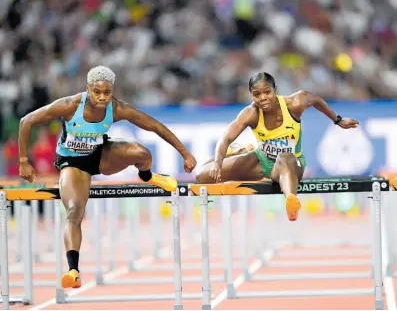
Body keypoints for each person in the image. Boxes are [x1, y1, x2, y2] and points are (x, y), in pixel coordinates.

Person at [18, 66, 197, 289]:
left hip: (100, 156)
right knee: (74, 211)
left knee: (142, 154)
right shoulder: (70, 106)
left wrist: (185, 153)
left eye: (107, 92)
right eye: (97, 92)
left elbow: (154, 126)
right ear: (87, 90)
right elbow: (26, 121)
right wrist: (24, 161)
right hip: (73, 164)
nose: (102, 97)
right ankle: (73, 270)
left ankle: (147, 176)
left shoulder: (117, 108)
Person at [196, 72, 359, 221]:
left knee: (284, 157)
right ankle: (239, 152)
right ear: (252, 96)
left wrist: (338, 120)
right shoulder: (250, 113)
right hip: (261, 161)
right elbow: (225, 139)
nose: (263, 98)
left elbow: (316, 100)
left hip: (292, 163)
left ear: (276, 90)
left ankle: (291, 200)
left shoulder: (295, 103)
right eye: (257, 95)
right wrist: (217, 163)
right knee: (202, 176)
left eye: (267, 92)